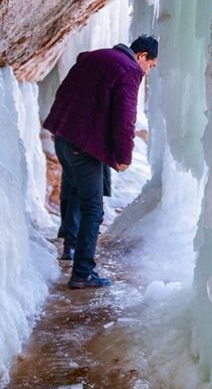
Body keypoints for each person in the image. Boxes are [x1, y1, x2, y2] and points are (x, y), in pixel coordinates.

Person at [43, 35, 158, 288]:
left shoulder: (95, 56)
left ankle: (69, 245)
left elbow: (65, 90)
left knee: (72, 191)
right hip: (83, 146)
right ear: (141, 57)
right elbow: (125, 118)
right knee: (93, 209)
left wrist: (59, 126)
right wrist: (124, 156)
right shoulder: (129, 70)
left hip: (63, 137)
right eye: (151, 65)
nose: (148, 71)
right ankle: (83, 272)